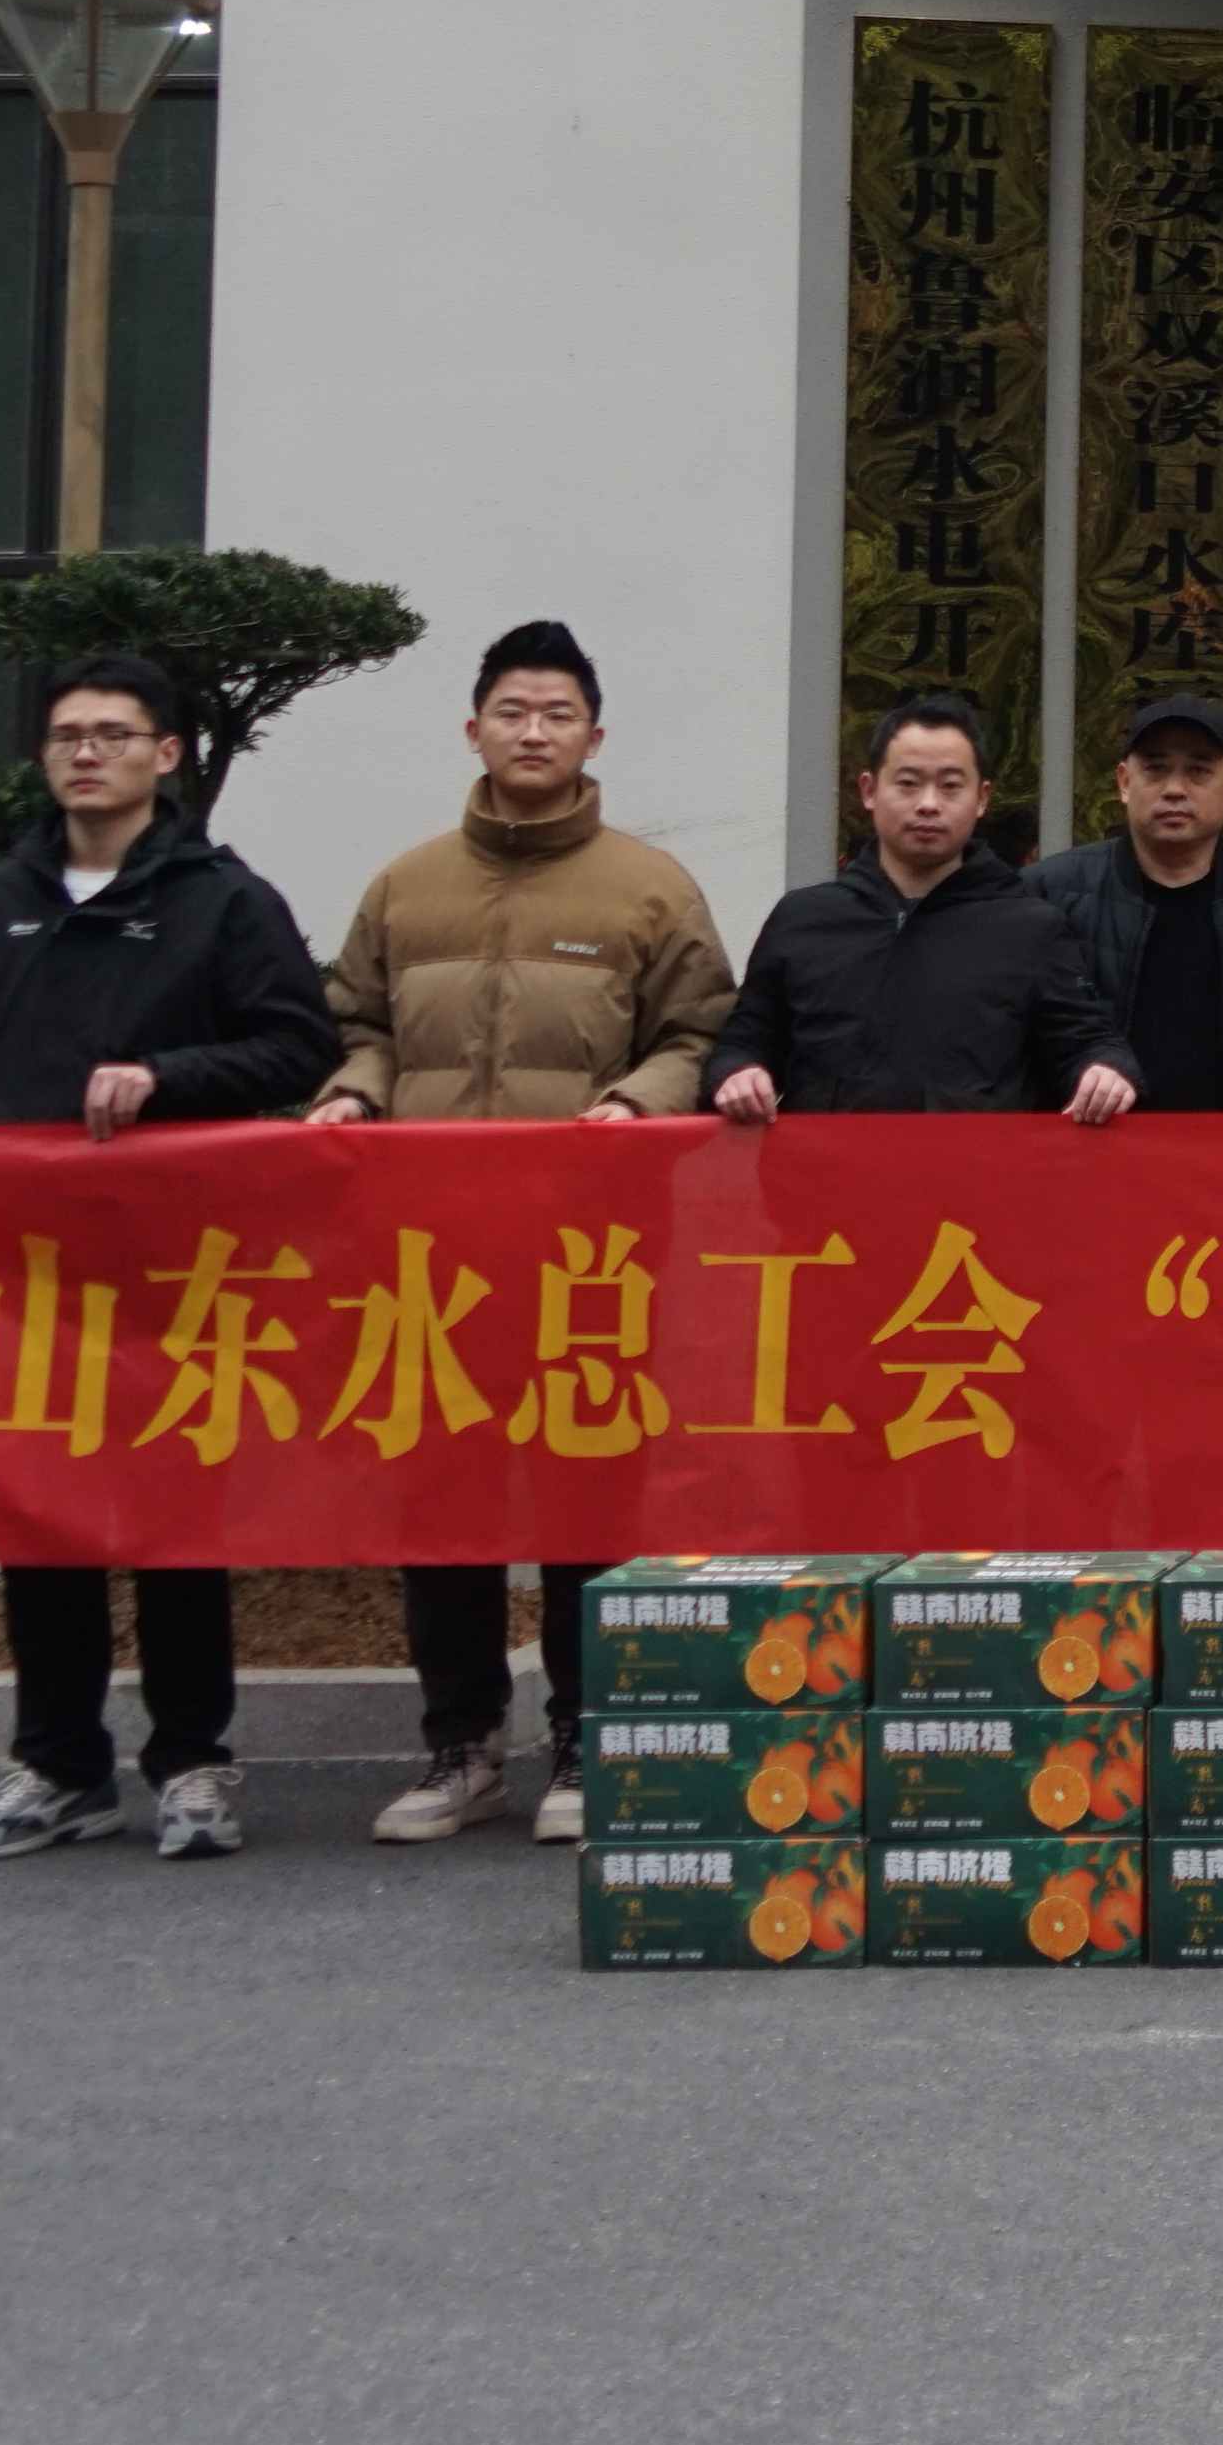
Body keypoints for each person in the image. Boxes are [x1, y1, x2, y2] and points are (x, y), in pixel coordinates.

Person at [0, 652, 341, 1867]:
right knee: (38, 1521)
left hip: (175, 1266)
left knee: (176, 1523)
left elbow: (297, 1046)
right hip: (19, 1269)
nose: (88, 751)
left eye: (115, 733)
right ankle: (59, 1766)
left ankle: (193, 1762)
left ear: (167, 755)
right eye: (69, 733)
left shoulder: (224, 902)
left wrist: (165, 1079)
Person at [305, 618, 737, 1850]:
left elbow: (704, 1032)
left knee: (585, 1498)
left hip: (589, 1250)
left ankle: (586, 1737)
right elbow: (356, 1021)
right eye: (512, 711)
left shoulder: (650, 887)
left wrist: (638, 1101)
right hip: (430, 1254)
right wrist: (355, 1091)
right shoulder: (407, 884)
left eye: (557, 714)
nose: (533, 732)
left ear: (595, 736)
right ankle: (461, 1745)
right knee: (441, 1499)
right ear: (474, 729)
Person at [706, 694, 1137, 1125]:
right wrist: (739, 1072)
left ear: (982, 798)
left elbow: (1087, 1042)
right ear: (869, 791)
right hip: (827, 1164)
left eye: (950, 786)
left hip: (977, 1165)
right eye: (908, 783)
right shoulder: (803, 919)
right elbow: (744, 1040)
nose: (928, 804)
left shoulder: (1031, 928)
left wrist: (1103, 1071)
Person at [1031, 689, 1223, 1129]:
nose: (1174, 790)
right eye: (1155, 769)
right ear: (1123, 782)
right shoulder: (1049, 895)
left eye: (1198, 771)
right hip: (1085, 1146)